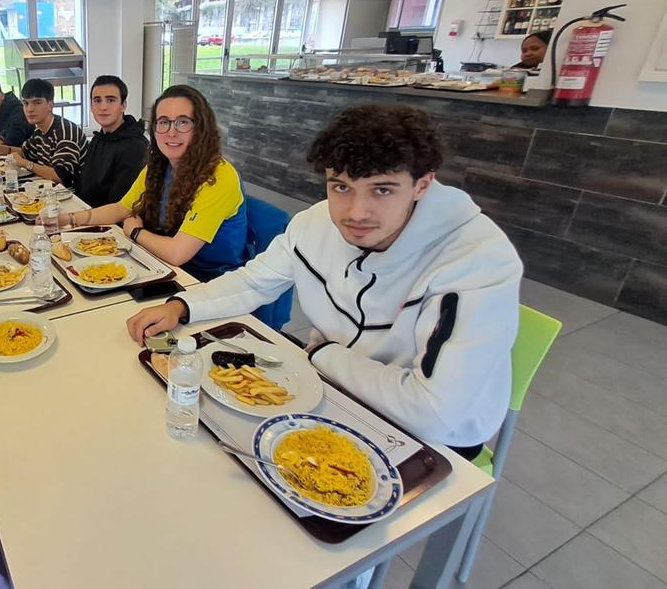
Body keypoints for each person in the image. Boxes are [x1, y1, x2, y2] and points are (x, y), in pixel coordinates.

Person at [126, 104, 522, 455]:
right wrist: (181, 306)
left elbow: (433, 412)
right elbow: (254, 282)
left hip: (434, 441)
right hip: (331, 387)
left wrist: (322, 355)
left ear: (423, 183)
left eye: (382, 190)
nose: (356, 211)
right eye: (341, 187)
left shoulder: (477, 259)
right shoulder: (314, 224)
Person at [58, 85, 249, 281]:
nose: (171, 133)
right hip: (162, 266)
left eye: (183, 122)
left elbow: (177, 253)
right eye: (163, 122)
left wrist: (135, 231)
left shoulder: (219, 176)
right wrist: (67, 219)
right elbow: (121, 208)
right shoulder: (160, 166)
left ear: (201, 128)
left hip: (208, 281)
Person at [75, 75, 148, 207]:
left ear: (123, 106)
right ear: (91, 106)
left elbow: (120, 204)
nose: (103, 107)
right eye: (97, 101)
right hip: (85, 212)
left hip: (110, 222)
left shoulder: (135, 147)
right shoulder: (98, 138)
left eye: (110, 100)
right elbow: (84, 185)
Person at [10, 78, 86, 186]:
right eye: (25, 103)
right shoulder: (39, 130)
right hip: (49, 190)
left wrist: (26, 164)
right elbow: (24, 152)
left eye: (37, 103)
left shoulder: (66, 131)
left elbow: (61, 176)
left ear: (50, 105)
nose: (29, 109)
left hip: (72, 195)